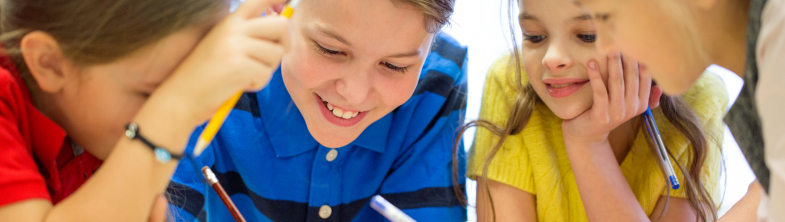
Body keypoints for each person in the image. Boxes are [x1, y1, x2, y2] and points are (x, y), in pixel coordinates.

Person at [166, 0, 468, 221]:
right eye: (331, 50)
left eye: (394, 66)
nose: (355, 93)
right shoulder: (213, 60)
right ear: (278, 7)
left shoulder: (439, 81)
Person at [0, 0, 287, 221]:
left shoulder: (91, 126)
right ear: (48, 62)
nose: (193, 121)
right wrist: (176, 106)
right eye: (152, 95)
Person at [465, 0, 727, 220]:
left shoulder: (700, 97)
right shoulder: (511, 82)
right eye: (534, 36)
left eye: (588, 36)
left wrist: (588, 144)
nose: (551, 58)